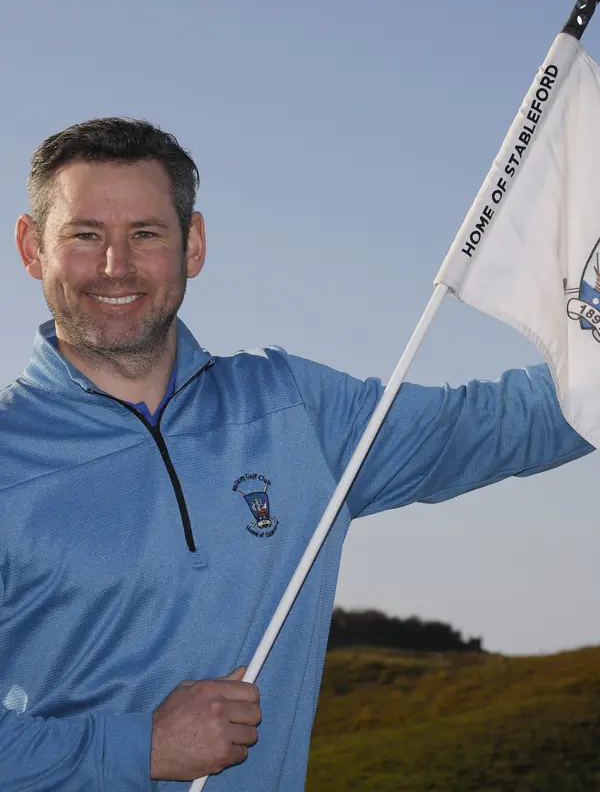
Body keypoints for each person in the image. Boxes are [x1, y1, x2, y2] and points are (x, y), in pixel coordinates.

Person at [0, 117, 593, 792]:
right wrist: (141, 747)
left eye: (146, 233)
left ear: (193, 245)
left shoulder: (293, 409)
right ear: (32, 247)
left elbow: (499, 425)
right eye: (85, 235)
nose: (116, 266)